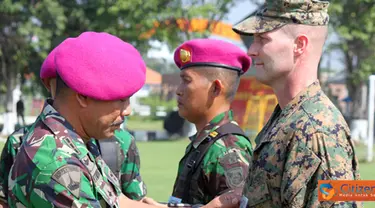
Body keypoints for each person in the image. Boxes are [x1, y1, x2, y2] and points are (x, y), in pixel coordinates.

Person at [6, 32, 241, 208]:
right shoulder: (57, 163)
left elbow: (117, 201)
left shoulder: (79, 141)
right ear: (83, 96)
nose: (127, 111)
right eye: (120, 100)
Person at [231, 0, 361, 207]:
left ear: (299, 45)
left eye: (262, 38)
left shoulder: (318, 131)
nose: (251, 51)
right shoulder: (287, 117)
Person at [150, 39, 253, 206]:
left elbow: (238, 201)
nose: (178, 90)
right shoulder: (207, 141)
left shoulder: (227, 146)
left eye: (187, 80)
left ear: (215, 89)